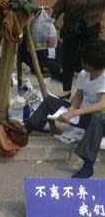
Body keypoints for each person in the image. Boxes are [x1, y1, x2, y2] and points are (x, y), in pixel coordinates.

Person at [25, 41, 105, 178]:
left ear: (88, 64)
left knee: (97, 117)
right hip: (85, 115)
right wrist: (71, 108)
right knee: (51, 101)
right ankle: (27, 128)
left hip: (100, 121)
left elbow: (102, 105)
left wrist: (75, 112)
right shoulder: (84, 75)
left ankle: (88, 166)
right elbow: (78, 95)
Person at [51, 0, 105, 99]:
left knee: (91, 61)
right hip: (71, 30)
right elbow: (57, 9)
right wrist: (50, 25)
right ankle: (66, 90)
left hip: (91, 30)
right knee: (68, 60)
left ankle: (89, 92)